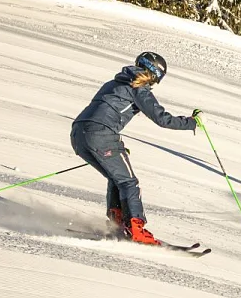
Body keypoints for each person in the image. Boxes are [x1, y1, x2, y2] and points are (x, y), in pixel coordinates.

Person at [71, 52, 199, 245]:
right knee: (129, 182)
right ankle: (135, 228)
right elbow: (162, 119)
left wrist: (115, 148)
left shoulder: (114, 82)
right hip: (102, 135)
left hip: (79, 134)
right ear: (155, 74)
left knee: (117, 178)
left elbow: (103, 111)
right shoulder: (139, 88)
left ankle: (118, 221)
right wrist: (192, 123)